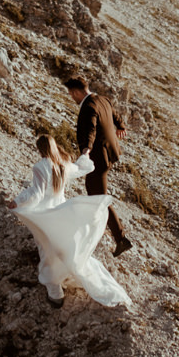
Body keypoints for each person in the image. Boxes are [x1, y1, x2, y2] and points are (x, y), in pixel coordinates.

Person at [7, 135, 130, 308]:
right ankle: (66, 278)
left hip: (45, 214)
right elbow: (81, 168)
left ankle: (55, 294)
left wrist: (17, 202)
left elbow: (36, 194)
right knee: (63, 248)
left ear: (40, 149)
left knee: (46, 250)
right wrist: (85, 153)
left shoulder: (40, 167)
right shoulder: (63, 165)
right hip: (62, 210)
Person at [68, 77, 132, 256]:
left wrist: (85, 150)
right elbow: (114, 114)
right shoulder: (102, 99)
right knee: (93, 191)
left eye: (71, 94)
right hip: (110, 153)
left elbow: (90, 129)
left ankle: (120, 238)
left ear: (76, 92)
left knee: (98, 198)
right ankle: (99, 230)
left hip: (99, 157)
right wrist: (120, 125)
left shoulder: (88, 107)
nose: (72, 98)